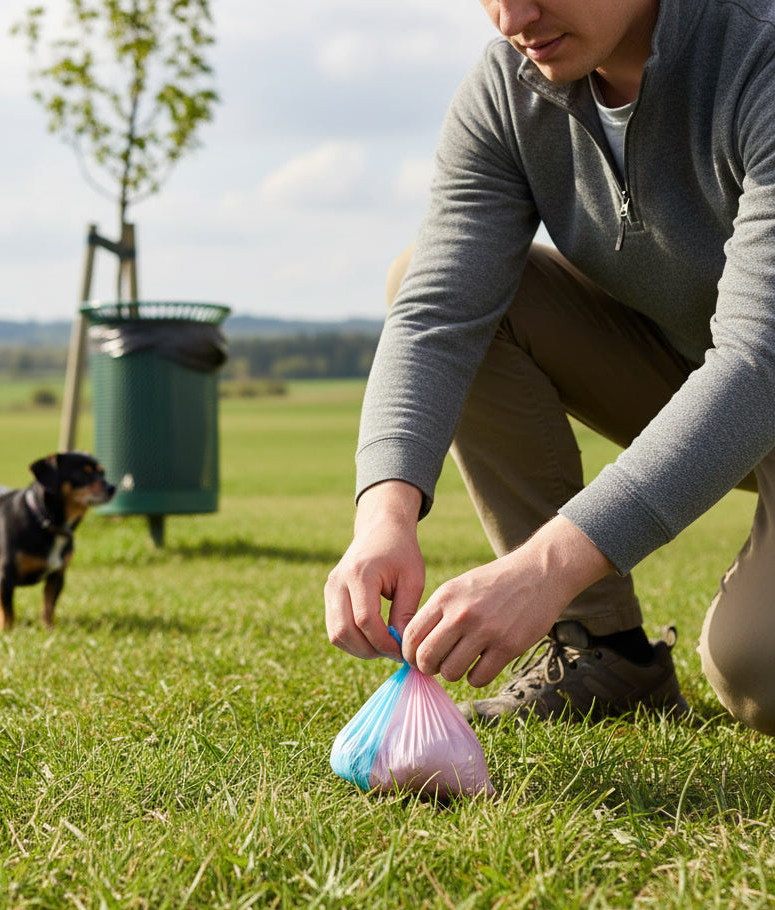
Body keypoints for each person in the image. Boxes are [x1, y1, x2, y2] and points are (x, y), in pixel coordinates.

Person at [324, 0, 775, 733]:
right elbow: (437, 314)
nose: (512, 17)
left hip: (761, 372)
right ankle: (604, 650)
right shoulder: (510, 87)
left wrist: (546, 567)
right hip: (701, 374)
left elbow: (761, 361)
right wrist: (384, 514)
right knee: (425, 279)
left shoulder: (759, 52)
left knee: (757, 672)